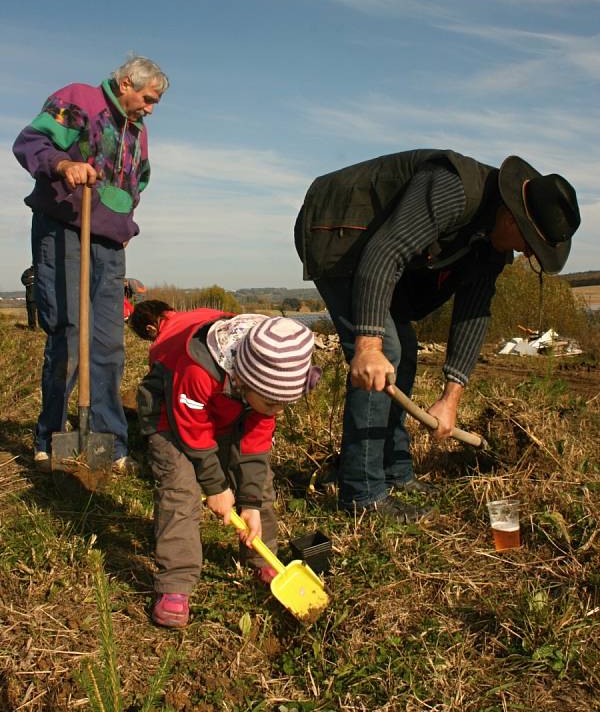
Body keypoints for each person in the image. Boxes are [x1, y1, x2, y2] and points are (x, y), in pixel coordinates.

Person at [295, 149, 581, 520]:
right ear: (512, 218)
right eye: (530, 244)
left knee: (405, 350)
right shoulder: (454, 189)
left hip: (375, 250)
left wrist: (451, 397)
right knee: (387, 351)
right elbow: (386, 251)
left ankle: (394, 471)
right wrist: (366, 347)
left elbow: (473, 313)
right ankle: (361, 494)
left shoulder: (491, 242)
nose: (526, 253)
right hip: (337, 230)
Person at [12, 55, 169, 474]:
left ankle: (109, 439)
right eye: (148, 99)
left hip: (110, 241)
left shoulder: (138, 131)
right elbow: (31, 142)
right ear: (125, 84)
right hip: (64, 226)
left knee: (108, 342)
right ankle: (49, 435)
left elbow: (142, 177)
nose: (150, 109)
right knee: (68, 332)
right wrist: (64, 165)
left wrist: (123, 214)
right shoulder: (78, 99)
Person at [129, 301, 321, 629]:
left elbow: (255, 447)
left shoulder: (267, 379)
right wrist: (216, 487)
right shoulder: (197, 369)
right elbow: (192, 431)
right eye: (272, 403)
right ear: (246, 381)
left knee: (258, 485)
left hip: (227, 403)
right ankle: (175, 583)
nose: (276, 411)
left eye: (283, 404)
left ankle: (263, 558)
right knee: (180, 486)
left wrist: (251, 505)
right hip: (170, 407)